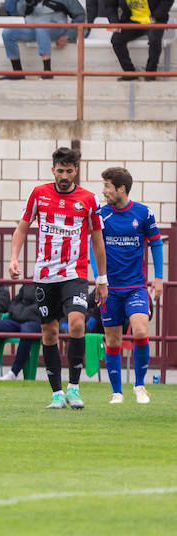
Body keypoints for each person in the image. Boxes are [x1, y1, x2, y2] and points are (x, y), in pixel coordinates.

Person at [7, 146, 106, 410]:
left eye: (69, 171)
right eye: (60, 171)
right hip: (45, 275)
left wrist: (102, 278)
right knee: (49, 332)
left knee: (76, 324)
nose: (64, 175)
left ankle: (74, 388)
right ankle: (56, 393)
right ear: (53, 170)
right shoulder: (39, 194)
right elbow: (22, 227)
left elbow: (97, 240)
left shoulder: (89, 200)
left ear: (76, 171)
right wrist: (14, 257)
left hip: (75, 273)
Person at [96, 166, 162, 405]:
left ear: (121, 188)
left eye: (107, 186)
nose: (104, 191)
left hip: (135, 287)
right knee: (112, 341)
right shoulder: (101, 215)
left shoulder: (143, 213)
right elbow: (96, 248)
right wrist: (98, 277)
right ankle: (117, 392)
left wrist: (159, 277)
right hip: (110, 289)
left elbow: (156, 244)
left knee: (141, 331)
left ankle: (140, 386)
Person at [0, 0, 82, 80]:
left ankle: (47, 71)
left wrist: (68, 36)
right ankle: (17, 72)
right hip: (32, 27)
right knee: (7, 32)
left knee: (41, 28)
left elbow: (80, 15)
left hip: (56, 28)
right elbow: (21, 11)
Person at [102, 0, 172, 81]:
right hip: (132, 21)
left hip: (153, 21)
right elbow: (110, 4)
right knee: (116, 40)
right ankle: (130, 73)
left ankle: (150, 74)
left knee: (155, 40)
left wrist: (155, 17)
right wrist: (114, 22)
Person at [0, 281, 39, 381]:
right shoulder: (28, 283)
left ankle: (13, 373)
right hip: (16, 319)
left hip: (34, 321)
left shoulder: (50, 284)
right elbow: (14, 301)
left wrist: (24, 312)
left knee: (26, 333)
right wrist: (17, 312)